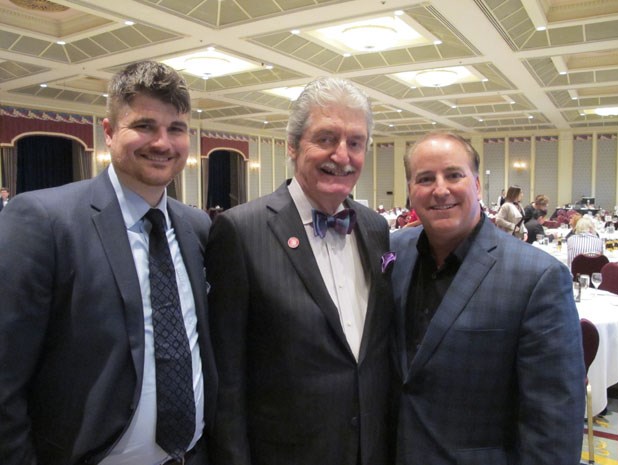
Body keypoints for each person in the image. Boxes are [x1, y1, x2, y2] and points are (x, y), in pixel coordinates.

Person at [0, 61, 217, 465]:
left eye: (176, 129)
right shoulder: (44, 221)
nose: (163, 143)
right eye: (145, 125)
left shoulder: (196, 227)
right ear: (108, 131)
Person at [205, 77, 394, 465]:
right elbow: (227, 380)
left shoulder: (376, 229)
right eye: (325, 139)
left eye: (355, 143)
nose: (342, 155)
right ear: (292, 146)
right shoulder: (241, 231)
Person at [390, 131, 584, 465]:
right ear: (410, 191)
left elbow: (554, 423)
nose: (440, 189)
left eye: (454, 175)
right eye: (425, 178)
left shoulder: (538, 276)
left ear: (477, 185)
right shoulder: (394, 252)